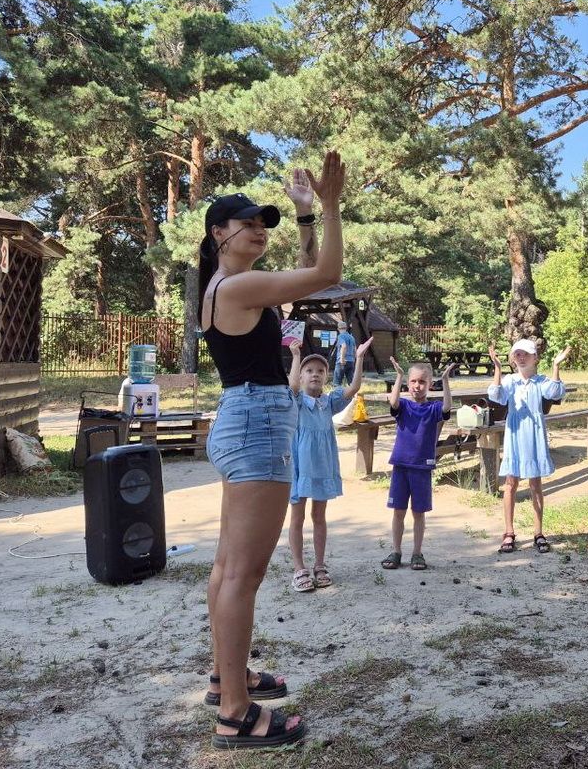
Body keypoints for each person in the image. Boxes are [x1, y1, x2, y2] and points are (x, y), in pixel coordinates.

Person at [198, 151, 345, 750]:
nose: (260, 229)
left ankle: (226, 677)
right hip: (257, 422)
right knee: (244, 573)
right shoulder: (239, 285)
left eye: (265, 222)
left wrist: (305, 216)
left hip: (245, 416)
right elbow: (325, 276)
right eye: (247, 222)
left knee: (226, 568)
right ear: (218, 234)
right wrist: (333, 208)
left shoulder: (227, 286)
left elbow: (305, 269)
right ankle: (235, 713)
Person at [286, 336, 371, 592]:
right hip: (300, 467)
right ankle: (299, 568)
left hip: (321, 466)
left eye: (320, 371)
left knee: (319, 516)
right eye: (309, 371)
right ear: (301, 377)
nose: (315, 375)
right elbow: (291, 387)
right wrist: (296, 357)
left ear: (326, 376)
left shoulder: (329, 402)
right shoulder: (297, 401)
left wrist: (358, 359)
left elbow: (354, 387)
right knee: (297, 517)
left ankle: (320, 564)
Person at [487, 339, 570, 554]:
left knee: (535, 483)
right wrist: (497, 368)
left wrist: (556, 366)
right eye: (517, 354)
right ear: (513, 359)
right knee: (511, 483)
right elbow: (496, 396)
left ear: (535, 358)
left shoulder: (540, 381)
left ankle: (538, 532)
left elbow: (555, 392)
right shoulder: (510, 381)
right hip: (515, 435)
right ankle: (508, 532)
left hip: (534, 436)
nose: (521, 357)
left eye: (526, 354)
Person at [380, 359, 454, 570]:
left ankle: (417, 553)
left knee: (418, 513)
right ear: (407, 384)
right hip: (401, 465)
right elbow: (393, 403)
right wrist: (398, 377)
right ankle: (396, 551)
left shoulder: (434, 408)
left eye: (422, 382)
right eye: (412, 381)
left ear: (430, 384)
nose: (416, 386)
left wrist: (446, 381)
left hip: (422, 467)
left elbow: (447, 408)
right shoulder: (403, 405)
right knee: (398, 511)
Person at [333, 320, 357, 387]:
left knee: (337, 383)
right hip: (351, 361)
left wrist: (342, 359)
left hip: (342, 362)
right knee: (351, 382)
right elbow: (355, 349)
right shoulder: (352, 337)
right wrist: (354, 359)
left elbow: (344, 346)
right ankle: (353, 396)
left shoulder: (340, 336)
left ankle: (337, 397)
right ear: (346, 328)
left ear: (338, 329)